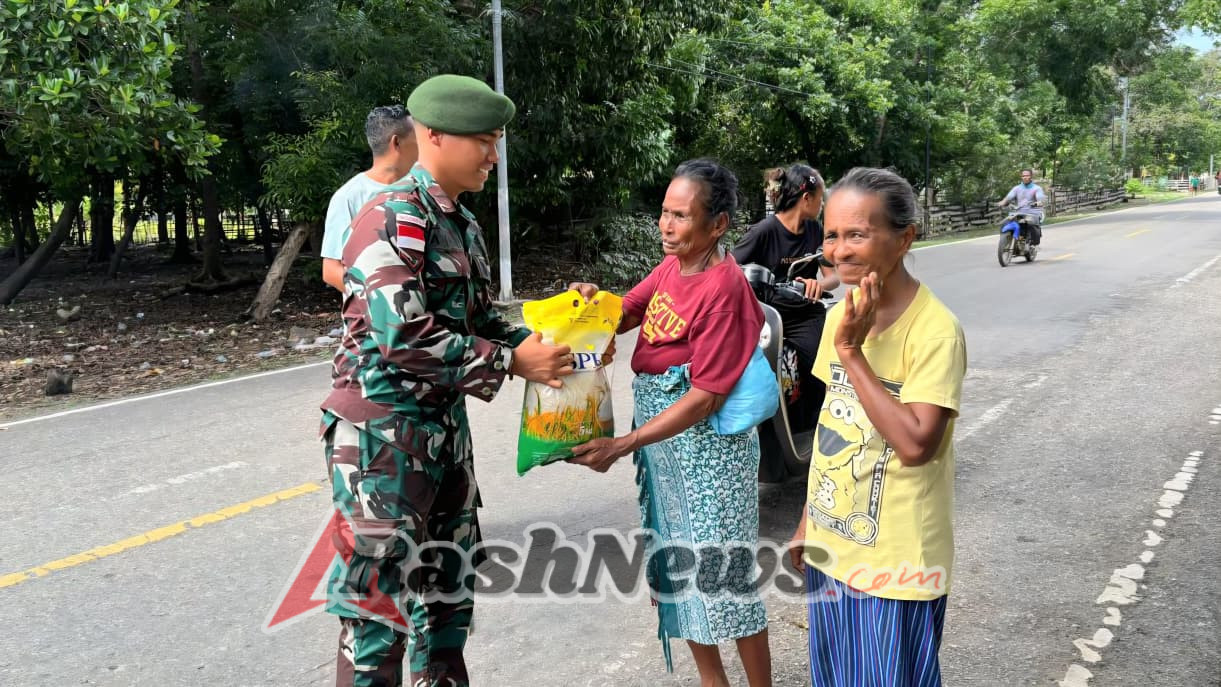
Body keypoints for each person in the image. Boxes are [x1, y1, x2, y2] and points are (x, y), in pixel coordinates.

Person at [319, 74, 577, 687]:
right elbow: (402, 336)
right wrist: (513, 363)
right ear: (432, 136)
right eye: (483, 141)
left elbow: (485, 322)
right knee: (376, 608)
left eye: (496, 142)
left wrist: (557, 338)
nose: (493, 155)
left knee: (446, 596)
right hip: (380, 441)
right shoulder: (389, 219)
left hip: (440, 438)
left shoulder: (461, 224)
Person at [569, 159, 773, 687]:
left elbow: (705, 398)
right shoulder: (671, 269)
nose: (666, 225)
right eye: (664, 213)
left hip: (709, 457)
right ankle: (713, 682)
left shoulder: (723, 290)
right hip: (667, 454)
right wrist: (589, 304)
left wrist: (622, 444)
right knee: (680, 571)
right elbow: (627, 310)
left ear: (718, 225)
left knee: (726, 578)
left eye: (681, 217)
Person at [788, 167, 966, 687]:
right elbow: (830, 427)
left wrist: (852, 350)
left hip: (895, 563)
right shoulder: (844, 311)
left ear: (905, 237)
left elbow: (916, 444)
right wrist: (807, 520)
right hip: (832, 546)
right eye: (832, 235)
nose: (839, 251)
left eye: (858, 234)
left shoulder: (935, 332)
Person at [733, 164, 840, 434]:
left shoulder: (815, 230)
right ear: (807, 199)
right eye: (820, 197)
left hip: (806, 315)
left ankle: (813, 432)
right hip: (768, 321)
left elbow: (833, 277)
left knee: (818, 368)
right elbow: (728, 271)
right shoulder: (763, 231)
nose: (822, 203)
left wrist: (818, 283)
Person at [320, 105, 419, 292]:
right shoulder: (349, 197)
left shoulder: (422, 190)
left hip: (423, 317)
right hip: (372, 319)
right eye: (417, 139)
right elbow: (331, 270)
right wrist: (378, 302)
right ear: (396, 143)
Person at [997, 169, 1046, 245]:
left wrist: (1037, 203)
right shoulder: (1016, 188)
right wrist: (1002, 203)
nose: (1025, 177)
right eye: (1023, 176)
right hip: (1019, 212)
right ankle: (1006, 243)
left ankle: (1032, 244)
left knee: (1031, 224)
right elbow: (1008, 197)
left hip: (1033, 213)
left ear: (1031, 176)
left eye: (1027, 175)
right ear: (1021, 177)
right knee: (1005, 223)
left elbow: (1041, 200)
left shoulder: (1037, 188)